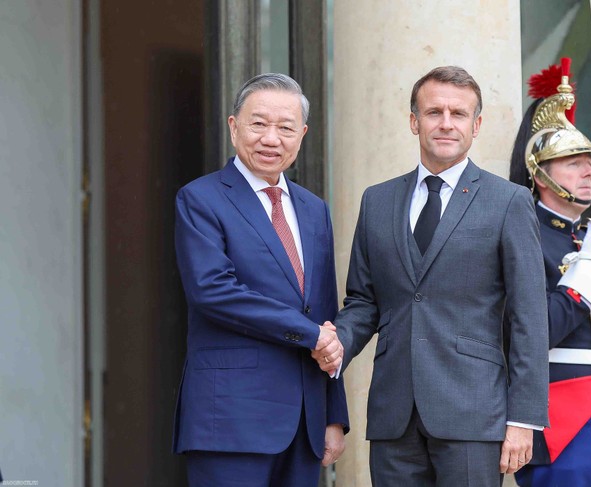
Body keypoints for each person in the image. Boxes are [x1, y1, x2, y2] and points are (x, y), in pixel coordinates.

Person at [327, 66, 550, 487]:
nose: (446, 123)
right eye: (433, 112)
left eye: (458, 113)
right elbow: (363, 300)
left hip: (474, 414)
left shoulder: (509, 202)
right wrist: (337, 343)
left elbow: (529, 316)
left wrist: (524, 418)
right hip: (394, 414)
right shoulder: (377, 201)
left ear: (476, 125)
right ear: (414, 121)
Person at [172, 73, 348, 487]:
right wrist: (310, 334)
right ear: (234, 127)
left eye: (286, 127)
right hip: (231, 420)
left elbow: (324, 313)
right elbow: (213, 291)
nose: (272, 138)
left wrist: (333, 415)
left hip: (305, 423)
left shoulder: (313, 209)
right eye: (258, 124)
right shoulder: (201, 199)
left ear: (302, 135)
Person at [509, 59, 591, 486]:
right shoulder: (521, 235)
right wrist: (586, 266)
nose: (589, 172)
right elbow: (537, 330)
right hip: (559, 415)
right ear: (541, 175)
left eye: (590, 163)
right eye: (573, 163)